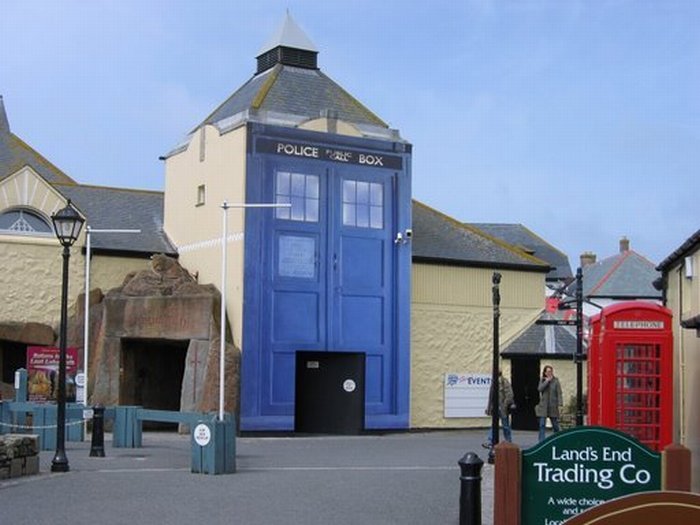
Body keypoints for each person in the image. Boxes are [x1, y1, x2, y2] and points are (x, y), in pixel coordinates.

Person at [482, 370, 515, 448]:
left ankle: (509, 441)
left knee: (505, 425)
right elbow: (491, 397)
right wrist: (489, 408)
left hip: (503, 408)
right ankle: (490, 441)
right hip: (496, 408)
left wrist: (504, 405)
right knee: (494, 425)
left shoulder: (504, 382)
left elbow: (510, 395)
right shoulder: (493, 382)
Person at [536, 365, 563, 442]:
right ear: (545, 372)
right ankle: (541, 442)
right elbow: (539, 389)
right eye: (547, 371)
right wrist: (547, 381)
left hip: (553, 406)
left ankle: (557, 440)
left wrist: (560, 404)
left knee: (555, 425)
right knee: (542, 425)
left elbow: (559, 393)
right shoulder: (542, 380)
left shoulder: (556, 381)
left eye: (550, 371)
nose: (549, 373)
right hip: (543, 406)